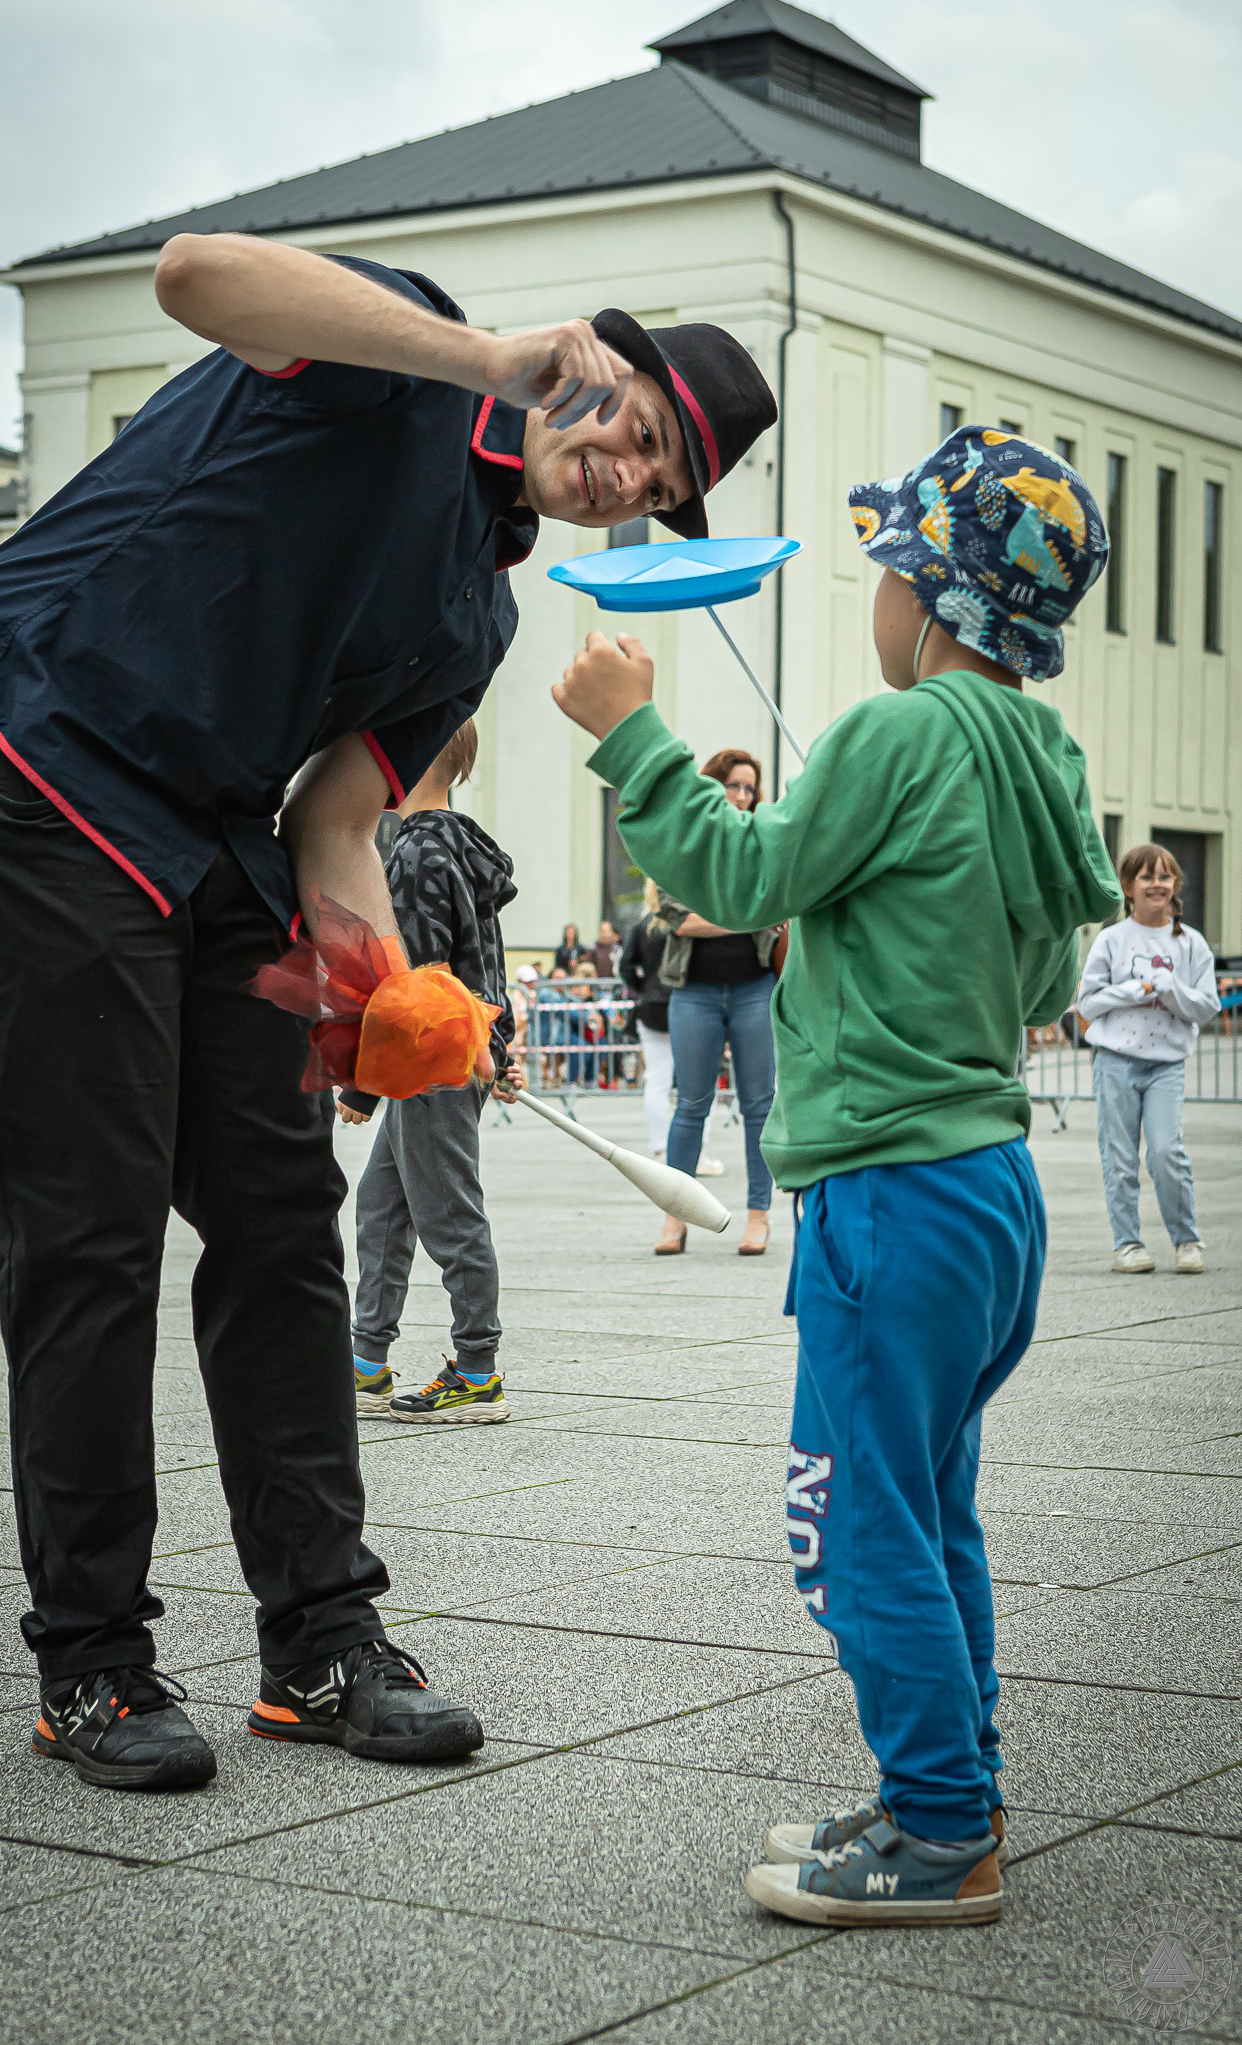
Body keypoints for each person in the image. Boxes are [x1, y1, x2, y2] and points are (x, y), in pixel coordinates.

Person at [0, 231, 775, 1793]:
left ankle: (319, 1641)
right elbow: (192, 278)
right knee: (88, 1221)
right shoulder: (413, 350)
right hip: (31, 739)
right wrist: (487, 354)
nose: (622, 474)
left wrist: (393, 1003)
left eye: (657, 481)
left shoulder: (477, 623)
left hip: (216, 823)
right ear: (602, 360)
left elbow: (337, 830)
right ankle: (91, 1660)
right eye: (635, 428)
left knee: (284, 1215)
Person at [554, 426, 1119, 1926]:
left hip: (887, 1192)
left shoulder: (899, 732)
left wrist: (631, 735)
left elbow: (738, 881)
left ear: (934, 597)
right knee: (931, 1509)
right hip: (991, 1190)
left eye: (886, 565)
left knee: (851, 1524)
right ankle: (955, 1785)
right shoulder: (1044, 754)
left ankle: (942, 1833)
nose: (874, 592)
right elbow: (1048, 964)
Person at [341, 719, 520, 1422]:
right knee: (383, 1206)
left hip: (433, 1060)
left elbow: (416, 983)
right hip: (451, 1054)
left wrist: (362, 1080)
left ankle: (477, 1370)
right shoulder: (460, 844)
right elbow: (485, 968)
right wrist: (498, 1044)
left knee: (448, 1213)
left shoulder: (415, 850)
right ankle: (364, 1361)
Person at [653, 750, 780, 1257]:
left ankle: (758, 1215)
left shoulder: (761, 843)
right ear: (713, 787)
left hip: (754, 988)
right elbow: (677, 917)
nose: (743, 796)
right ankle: (675, 1217)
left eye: (750, 788)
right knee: (690, 1105)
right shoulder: (683, 843)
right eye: (734, 786)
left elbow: (777, 897)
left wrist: (734, 913)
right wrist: (750, 914)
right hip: (695, 992)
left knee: (758, 1106)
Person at [1078, 843, 1218, 1274]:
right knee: (1119, 1157)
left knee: (1165, 1152)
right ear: (1127, 886)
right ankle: (1128, 1245)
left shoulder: (1190, 943)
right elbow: (1087, 1003)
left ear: (1175, 885)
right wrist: (1132, 989)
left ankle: (1187, 1241)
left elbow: (1206, 1006)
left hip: (1166, 1066)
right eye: (1146, 877)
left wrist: (1168, 987)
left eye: (1164, 877)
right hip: (1115, 1062)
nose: (1156, 885)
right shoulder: (1111, 939)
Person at [621, 878, 673, 1155]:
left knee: (657, 1078)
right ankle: (698, 1147)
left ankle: (658, 1144)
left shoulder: (642, 928)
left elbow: (625, 966)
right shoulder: (685, 926)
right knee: (695, 1081)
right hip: (683, 1003)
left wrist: (643, 989)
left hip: (651, 1005)